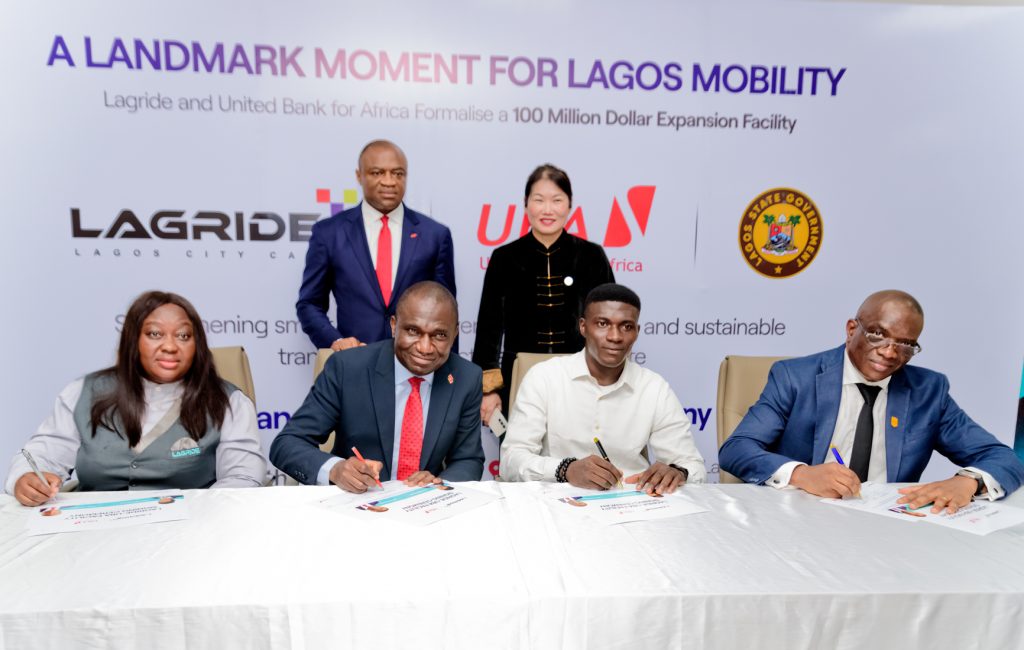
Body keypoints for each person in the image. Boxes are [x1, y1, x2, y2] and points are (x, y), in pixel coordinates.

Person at [719, 290, 1024, 514]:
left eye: (906, 344)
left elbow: (1003, 458)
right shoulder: (794, 377)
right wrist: (803, 474)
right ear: (852, 329)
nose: (891, 352)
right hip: (801, 517)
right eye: (878, 335)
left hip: (887, 530)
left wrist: (968, 481)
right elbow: (737, 449)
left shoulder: (928, 391)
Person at [6, 291, 266, 506]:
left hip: (188, 533)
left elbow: (241, 480)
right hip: (92, 535)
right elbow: (43, 454)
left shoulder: (229, 402)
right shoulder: (82, 393)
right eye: (154, 334)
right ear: (133, 340)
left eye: (184, 336)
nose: (170, 346)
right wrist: (27, 478)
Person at [271, 281, 484, 492]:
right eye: (412, 330)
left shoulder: (466, 378)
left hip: (426, 510)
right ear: (393, 325)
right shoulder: (348, 368)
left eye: (439, 335)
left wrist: (440, 485)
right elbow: (288, 443)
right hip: (355, 505)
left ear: (454, 334)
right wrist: (335, 470)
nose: (425, 348)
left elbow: (468, 459)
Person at [499, 283, 706, 494]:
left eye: (626, 326)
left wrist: (678, 472)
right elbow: (511, 461)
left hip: (633, 506)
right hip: (558, 504)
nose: (615, 336)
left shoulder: (654, 387)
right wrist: (565, 469)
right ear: (583, 327)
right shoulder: (544, 377)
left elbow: (693, 465)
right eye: (602, 323)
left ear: (637, 332)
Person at [473, 164, 613, 425]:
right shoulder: (504, 258)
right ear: (526, 204)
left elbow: (609, 324)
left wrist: (607, 378)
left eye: (557, 200)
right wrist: (489, 390)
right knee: (520, 455)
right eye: (539, 200)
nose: (547, 210)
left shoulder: (592, 256)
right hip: (519, 373)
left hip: (581, 375)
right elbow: (488, 329)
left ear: (569, 205)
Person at [297, 139, 457, 351]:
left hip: (418, 364)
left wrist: (449, 374)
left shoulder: (435, 235)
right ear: (359, 176)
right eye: (377, 173)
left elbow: (446, 310)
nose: (389, 181)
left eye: (398, 174)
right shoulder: (329, 233)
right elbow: (309, 304)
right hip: (355, 363)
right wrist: (336, 341)